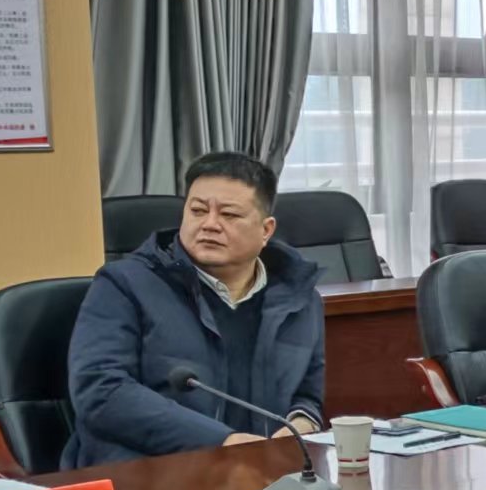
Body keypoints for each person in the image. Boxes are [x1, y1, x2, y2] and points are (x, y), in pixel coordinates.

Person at [65, 152, 325, 468]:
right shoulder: (123, 285)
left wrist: (299, 427)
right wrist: (222, 442)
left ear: (266, 230)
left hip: (261, 472)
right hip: (147, 473)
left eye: (229, 215)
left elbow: (307, 395)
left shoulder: (298, 297)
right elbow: (101, 391)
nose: (210, 225)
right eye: (198, 210)